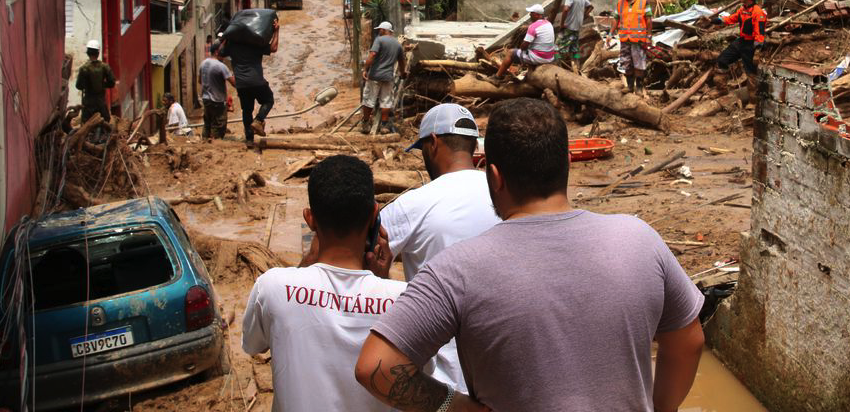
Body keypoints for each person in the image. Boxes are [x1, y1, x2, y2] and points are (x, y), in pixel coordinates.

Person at [357, 98, 706, 412]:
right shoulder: (639, 239)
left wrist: (455, 407)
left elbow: (376, 367)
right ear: (568, 162)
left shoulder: (455, 269)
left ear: (494, 176)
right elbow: (688, 342)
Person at [242, 155, 401, 412]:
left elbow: (253, 345)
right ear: (374, 215)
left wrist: (307, 262)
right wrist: (382, 280)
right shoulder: (404, 300)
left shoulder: (271, 287)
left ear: (310, 218)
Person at [377, 103, 500, 389]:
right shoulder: (505, 194)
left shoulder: (414, 205)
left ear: (432, 143)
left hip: (442, 387)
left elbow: (356, 254)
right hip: (502, 376)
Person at [221, 16, 279, 148]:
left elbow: (219, 52)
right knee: (268, 100)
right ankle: (258, 120)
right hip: (257, 81)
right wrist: (276, 31)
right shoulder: (256, 43)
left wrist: (225, 38)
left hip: (241, 84)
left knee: (246, 111)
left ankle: (249, 140)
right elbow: (274, 48)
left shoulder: (232, 45)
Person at [361, 21, 407, 135]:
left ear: (384, 30)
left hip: (375, 75)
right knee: (386, 101)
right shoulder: (397, 44)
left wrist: (365, 69)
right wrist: (403, 73)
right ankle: (384, 126)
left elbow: (372, 55)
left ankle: (366, 123)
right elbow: (402, 61)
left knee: (369, 100)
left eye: (379, 30)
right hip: (388, 77)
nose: (378, 32)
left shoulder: (379, 40)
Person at [711, 0, 767, 79]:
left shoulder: (758, 12)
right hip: (741, 41)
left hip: (751, 45)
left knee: (751, 72)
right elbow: (730, 19)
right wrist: (716, 20)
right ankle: (724, 85)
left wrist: (757, 52)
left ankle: (754, 90)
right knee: (722, 60)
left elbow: (759, 32)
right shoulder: (742, 10)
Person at [610, 0, 652, 94]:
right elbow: (615, 18)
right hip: (625, 39)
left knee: (639, 64)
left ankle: (639, 87)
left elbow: (649, 20)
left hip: (638, 40)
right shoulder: (620, 3)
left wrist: (649, 37)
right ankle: (629, 87)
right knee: (626, 63)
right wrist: (610, 34)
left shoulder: (643, 2)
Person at [494, 3, 556, 78]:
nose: (530, 15)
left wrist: (522, 47)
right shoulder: (548, 23)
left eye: (531, 13)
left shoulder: (533, 26)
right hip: (549, 57)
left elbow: (524, 46)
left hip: (540, 58)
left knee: (510, 53)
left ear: (536, 15)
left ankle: (497, 76)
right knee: (528, 50)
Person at [200, 42, 235, 141]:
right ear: (216, 52)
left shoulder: (203, 63)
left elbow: (199, 81)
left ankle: (204, 144)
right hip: (217, 101)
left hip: (206, 100)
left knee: (207, 124)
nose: (224, 54)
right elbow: (234, 83)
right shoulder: (221, 66)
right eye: (222, 51)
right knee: (219, 126)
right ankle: (215, 145)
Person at [556, 0, 593, 71]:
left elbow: (565, 9)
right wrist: (584, 16)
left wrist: (562, 24)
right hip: (576, 28)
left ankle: (557, 68)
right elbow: (591, 6)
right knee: (574, 49)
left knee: (556, 48)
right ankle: (577, 68)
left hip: (568, 27)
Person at [75, 39, 116, 123]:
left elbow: (78, 86)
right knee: (105, 122)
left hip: (88, 103)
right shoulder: (105, 67)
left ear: (88, 53)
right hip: (100, 102)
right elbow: (112, 82)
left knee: (86, 124)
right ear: (98, 53)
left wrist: (87, 85)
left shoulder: (84, 68)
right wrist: (102, 85)